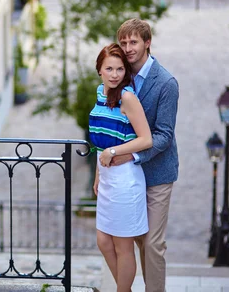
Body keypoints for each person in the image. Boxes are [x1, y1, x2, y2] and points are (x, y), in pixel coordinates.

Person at [102, 18, 180, 292]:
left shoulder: (167, 83)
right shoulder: (118, 75)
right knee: (129, 239)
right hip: (126, 176)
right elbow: (109, 126)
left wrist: (131, 157)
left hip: (157, 174)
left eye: (133, 42)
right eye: (123, 42)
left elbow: (164, 136)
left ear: (147, 43)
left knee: (152, 244)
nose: (128, 47)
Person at [89, 43, 153, 292]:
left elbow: (145, 139)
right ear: (100, 71)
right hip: (106, 178)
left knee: (122, 246)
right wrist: (97, 175)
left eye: (119, 69)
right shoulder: (100, 94)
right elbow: (100, 141)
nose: (114, 74)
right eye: (109, 69)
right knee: (103, 241)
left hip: (126, 180)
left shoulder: (127, 97)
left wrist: (114, 151)